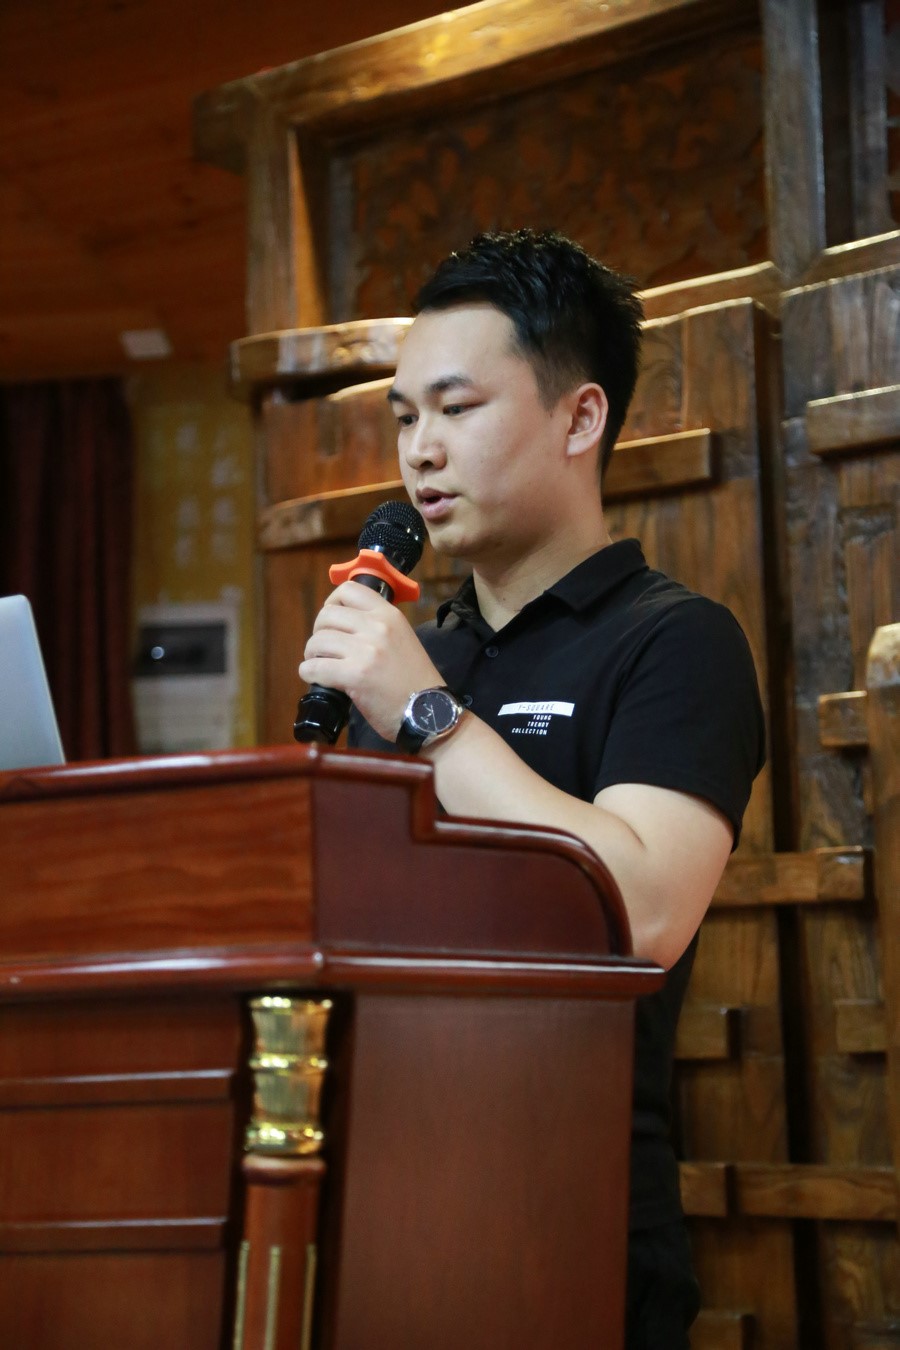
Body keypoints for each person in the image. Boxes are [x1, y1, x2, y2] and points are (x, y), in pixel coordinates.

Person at [299, 228, 765, 1347]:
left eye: (457, 409)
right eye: (404, 417)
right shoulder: (416, 655)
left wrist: (429, 719)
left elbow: (642, 911)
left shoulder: (675, 642)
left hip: (571, 1208)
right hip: (380, 1199)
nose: (420, 452)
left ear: (580, 418)